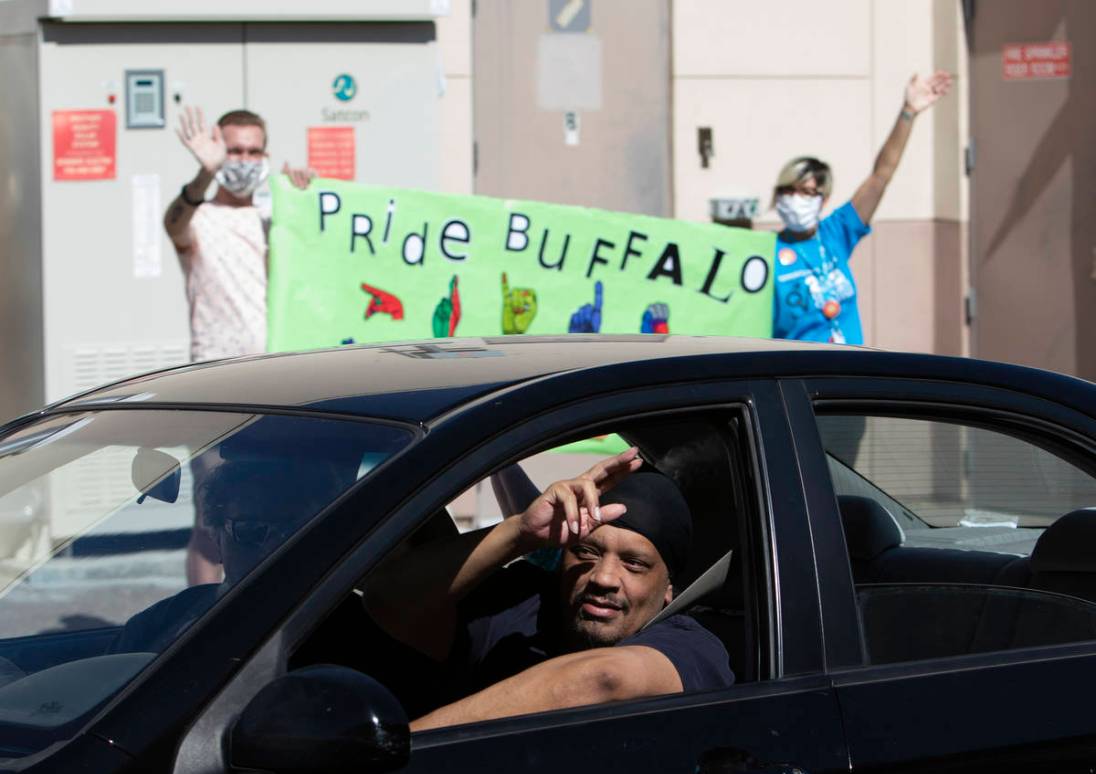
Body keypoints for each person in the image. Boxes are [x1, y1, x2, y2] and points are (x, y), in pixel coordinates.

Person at [366, 448, 734, 732]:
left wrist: (407, 747)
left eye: (633, 563)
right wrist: (520, 534)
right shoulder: (526, 604)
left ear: (668, 589)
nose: (604, 578)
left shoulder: (689, 645)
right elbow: (386, 599)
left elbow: (603, 679)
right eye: (587, 552)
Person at [162, 106, 314, 585]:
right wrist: (201, 177)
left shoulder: (280, 221)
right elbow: (174, 223)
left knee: (291, 517)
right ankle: (202, 633)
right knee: (213, 527)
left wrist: (305, 199)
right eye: (233, 150)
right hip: (215, 391)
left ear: (266, 154)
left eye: (253, 150)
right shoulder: (199, 218)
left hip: (282, 392)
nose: (243, 159)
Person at [771, 70, 953, 345]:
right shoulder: (766, 253)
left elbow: (880, 177)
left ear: (823, 199)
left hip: (848, 371)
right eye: (790, 191)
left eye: (807, 192)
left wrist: (908, 113)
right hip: (800, 378)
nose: (797, 199)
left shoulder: (834, 233)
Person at [111, 459, 336, 654]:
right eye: (251, 530)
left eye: (293, 530)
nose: (273, 546)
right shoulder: (155, 625)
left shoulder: (346, 627)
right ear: (215, 537)